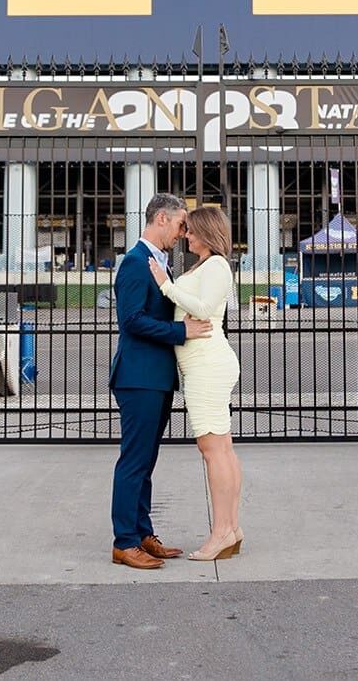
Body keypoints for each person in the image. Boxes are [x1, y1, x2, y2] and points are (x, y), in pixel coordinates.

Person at [109, 192, 212, 570]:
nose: (184, 231)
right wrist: (179, 330)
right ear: (162, 219)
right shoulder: (136, 263)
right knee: (134, 460)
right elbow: (132, 320)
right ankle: (124, 541)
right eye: (181, 223)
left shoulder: (159, 263)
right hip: (139, 378)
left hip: (155, 377)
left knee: (146, 460)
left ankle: (141, 532)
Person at [148, 204, 243, 562]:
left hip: (207, 365)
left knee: (212, 449)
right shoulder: (205, 266)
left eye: (190, 230)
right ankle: (231, 529)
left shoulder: (217, 265)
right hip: (202, 364)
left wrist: (166, 286)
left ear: (206, 232)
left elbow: (202, 309)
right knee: (222, 448)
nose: (185, 235)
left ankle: (220, 533)